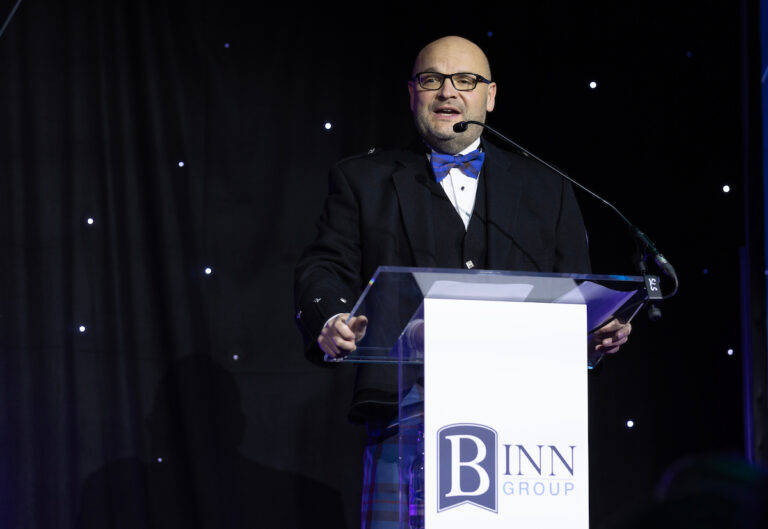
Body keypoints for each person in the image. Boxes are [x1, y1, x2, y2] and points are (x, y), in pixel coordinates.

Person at [294, 35, 631, 528]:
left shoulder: (548, 187)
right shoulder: (362, 180)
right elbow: (323, 266)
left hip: (528, 419)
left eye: (466, 80)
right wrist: (332, 317)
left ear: (489, 96)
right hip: (406, 409)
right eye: (431, 80)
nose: (448, 92)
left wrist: (595, 334)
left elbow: (574, 290)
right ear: (412, 93)